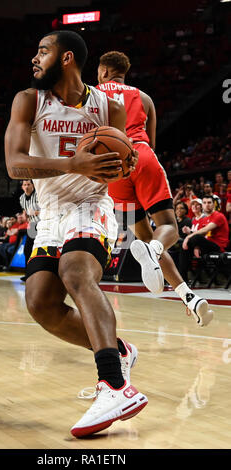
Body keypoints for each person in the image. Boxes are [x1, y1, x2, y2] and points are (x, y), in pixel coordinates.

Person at [5, 30, 146, 438]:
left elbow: (118, 164)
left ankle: (115, 385)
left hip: (91, 205)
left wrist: (124, 163)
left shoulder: (109, 108)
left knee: (76, 272)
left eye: (42, 51)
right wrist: (73, 164)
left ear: (67, 58)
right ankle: (118, 351)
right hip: (50, 212)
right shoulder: (29, 100)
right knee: (41, 303)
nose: (34, 58)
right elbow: (15, 164)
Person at [96, 51, 213, 326]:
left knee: (147, 238)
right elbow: (153, 143)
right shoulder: (144, 97)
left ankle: (188, 297)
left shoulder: (91, 95)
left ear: (102, 71)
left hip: (113, 169)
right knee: (166, 228)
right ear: (125, 72)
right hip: (141, 155)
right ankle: (156, 251)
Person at [179, 195, 229, 281]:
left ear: (214, 204)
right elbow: (203, 236)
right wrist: (196, 246)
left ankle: (183, 279)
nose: (207, 205)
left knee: (193, 239)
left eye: (209, 202)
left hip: (218, 246)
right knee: (183, 247)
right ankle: (183, 280)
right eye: (205, 203)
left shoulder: (218, 216)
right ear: (202, 205)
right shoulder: (206, 218)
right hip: (207, 245)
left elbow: (205, 230)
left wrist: (188, 237)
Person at [19, 179, 40, 273]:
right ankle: (28, 272)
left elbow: (48, 210)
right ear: (22, 187)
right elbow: (25, 210)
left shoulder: (38, 195)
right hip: (32, 225)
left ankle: (36, 272)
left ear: (33, 186)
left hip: (42, 224)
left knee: (38, 249)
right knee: (27, 250)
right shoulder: (22, 198)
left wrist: (35, 212)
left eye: (28, 184)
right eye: (25, 185)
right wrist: (24, 215)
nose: (26, 186)